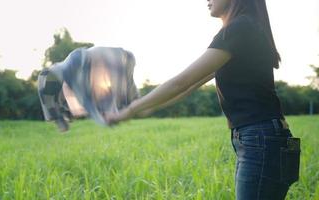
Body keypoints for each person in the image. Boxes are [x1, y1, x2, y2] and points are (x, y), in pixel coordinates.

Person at [104, 0, 301, 199]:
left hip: (261, 138)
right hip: (265, 137)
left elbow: (180, 82)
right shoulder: (246, 28)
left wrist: (130, 110)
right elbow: (188, 87)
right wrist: (146, 108)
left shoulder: (239, 28)